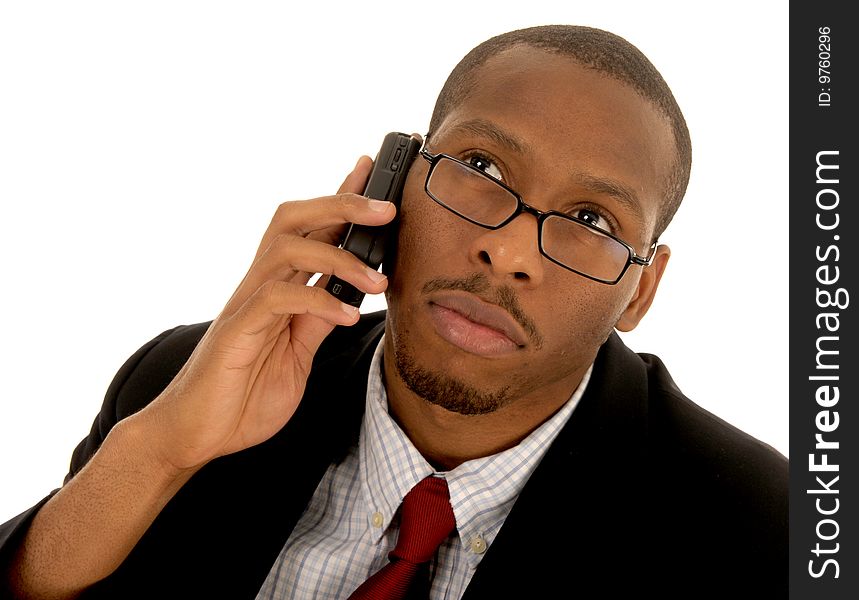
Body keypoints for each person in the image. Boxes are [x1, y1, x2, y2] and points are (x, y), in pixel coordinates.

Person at [0, 24, 787, 599]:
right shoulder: (183, 383)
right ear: (391, 181)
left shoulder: (766, 532)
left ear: (641, 291)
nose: (509, 252)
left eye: (592, 222)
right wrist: (159, 451)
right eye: (480, 167)